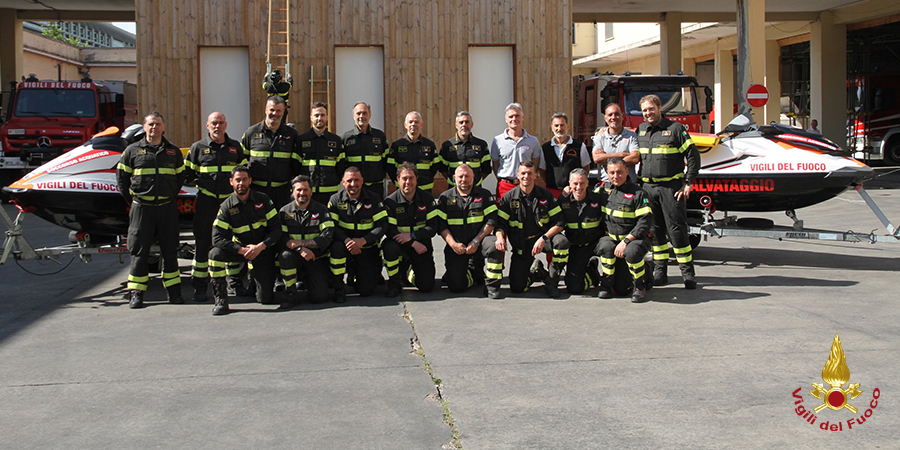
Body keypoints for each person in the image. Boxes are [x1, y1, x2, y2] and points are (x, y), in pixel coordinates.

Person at [116, 111, 186, 308]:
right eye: (150, 125)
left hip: (166, 208)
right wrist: (133, 200)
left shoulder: (173, 152)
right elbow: (121, 180)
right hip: (142, 209)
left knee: (170, 251)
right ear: (144, 127)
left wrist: (169, 194)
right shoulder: (131, 151)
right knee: (139, 252)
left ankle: (174, 292)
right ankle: (137, 293)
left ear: (163, 127)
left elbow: (180, 177)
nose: (154, 128)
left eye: (157, 124)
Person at [635, 94, 700, 289]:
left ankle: (688, 274)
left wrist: (688, 183)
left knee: (677, 231)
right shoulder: (641, 130)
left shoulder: (675, 129)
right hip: (648, 188)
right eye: (645, 110)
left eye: (651, 109)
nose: (648, 113)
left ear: (659, 108)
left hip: (671, 189)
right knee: (655, 233)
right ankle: (660, 272)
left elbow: (693, 156)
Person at [184, 111, 247, 302]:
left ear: (226, 125)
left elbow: (244, 172)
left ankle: (234, 283)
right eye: (214, 123)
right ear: (207, 125)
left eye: (220, 123)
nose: (217, 126)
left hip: (229, 204)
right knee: (203, 244)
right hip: (206, 202)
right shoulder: (197, 148)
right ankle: (200, 287)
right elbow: (186, 173)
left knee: (232, 242)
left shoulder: (236, 148)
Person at [208, 166, 282, 314]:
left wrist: (261, 246)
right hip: (241, 250)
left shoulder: (263, 200)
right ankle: (221, 299)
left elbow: (277, 229)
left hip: (262, 250)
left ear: (250, 180)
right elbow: (217, 238)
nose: (241, 183)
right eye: (237, 180)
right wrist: (241, 250)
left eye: (244, 179)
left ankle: (254, 280)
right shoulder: (226, 206)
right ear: (231, 182)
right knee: (215, 255)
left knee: (265, 299)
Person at [495, 160, 569, 298]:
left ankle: (553, 279)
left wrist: (544, 238)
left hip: (543, 239)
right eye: (523, 173)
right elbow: (501, 224)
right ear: (517, 175)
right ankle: (537, 273)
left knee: (561, 242)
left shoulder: (545, 196)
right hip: (522, 245)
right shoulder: (509, 198)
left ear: (536, 175)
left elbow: (559, 222)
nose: (526, 177)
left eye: (530, 173)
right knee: (517, 287)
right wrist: (499, 237)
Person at [436, 164, 503, 296]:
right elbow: (441, 226)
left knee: (494, 246)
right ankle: (475, 272)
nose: (464, 179)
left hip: (479, 242)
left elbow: (491, 221)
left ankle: (491, 287)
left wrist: (476, 241)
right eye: (460, 176)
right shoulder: (445, 198)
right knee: (455, 286)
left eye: (467, 176)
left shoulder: (485, 195)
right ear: (454, 177)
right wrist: (453, 244)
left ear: (473, 177)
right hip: (457, 245)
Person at [328, 167, 388, 302]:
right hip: (345, 245)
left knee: (366, 290)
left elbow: (382, 225)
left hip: (365, 247)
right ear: (343, 182)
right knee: (336, 247)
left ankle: (357, 271)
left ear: (362, 181)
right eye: (349, 181)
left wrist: (363, 240)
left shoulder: (373, 199)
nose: (353, 184)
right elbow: (332, 227)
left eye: (356, 180)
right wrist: (347, 240)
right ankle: (339, 288)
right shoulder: (335, 200)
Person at [597, 158, 652, 302]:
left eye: (620, 172)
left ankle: (639, 285)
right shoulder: (604, 190)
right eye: (612, 173)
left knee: (632, 253)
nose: (616, 176)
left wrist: (627, 240)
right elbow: (585, 196)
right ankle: (607, 284)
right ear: (607, 174)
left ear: (627, 171)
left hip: (633, 240)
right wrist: (568, 191)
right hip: (612, 239)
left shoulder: (638, 193)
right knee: (605, 246)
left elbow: (644, 222)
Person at [382, 163, 440, 297]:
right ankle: (394, 283)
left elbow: (433, 227)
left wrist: (413, 235)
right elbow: (390, 230)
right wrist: (412, 242)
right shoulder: (390, 202)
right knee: (389, 247)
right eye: (404, 178)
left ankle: (408, 270)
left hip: (421, 244)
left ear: (416, 179)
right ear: (398, 180)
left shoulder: (427, 199)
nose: (408, 182)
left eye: (411, 178)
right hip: (401, 244)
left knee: (426, 286)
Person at [278, 175, 335, 308]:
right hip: (295, 256)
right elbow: (282, 238)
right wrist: (300, 249)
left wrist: (301, 244)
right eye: (298, 190)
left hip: (315, 256)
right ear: (293, 191)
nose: (302, 193)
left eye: (305, 190)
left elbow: (326, 237)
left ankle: (309, 280)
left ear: (311, 191)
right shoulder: (284, 212)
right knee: (285, 256)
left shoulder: (322, 210)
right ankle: (290, 293)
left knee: (319, 298)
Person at [241, 95, 301, 209]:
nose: (275, 114)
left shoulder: (292, 135)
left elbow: (296, 165)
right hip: (256, 191)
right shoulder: (251, 133)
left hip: (282, 193)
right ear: (266, 110)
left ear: (283, 112)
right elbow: (242, 161)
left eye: (278, 111)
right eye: (272, 110)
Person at [557, 168, 603, 295]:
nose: (579, 187)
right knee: (574, 288)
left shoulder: (597, 199)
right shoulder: (563, 201)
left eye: (582, 183)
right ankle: (592, 273)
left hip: (596, 243)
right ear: (569, 184)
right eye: (575, 183)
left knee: (608, 246)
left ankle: (610, 281)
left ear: (588, 183)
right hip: (577, 246)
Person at [491, 103, 544, 200]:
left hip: (526, 184)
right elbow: (495, 164)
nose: (514, 119)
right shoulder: (497, 141)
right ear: (506, 120)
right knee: (504, 213)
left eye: (517, 116)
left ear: (522, 118)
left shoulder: (533, 141)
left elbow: (535, 164)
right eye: (511, 116)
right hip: (505, 186)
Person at [297, 102, 345, 205]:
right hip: (308, 193)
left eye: (322, 115)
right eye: (316, 115)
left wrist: (334, 180)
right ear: (311, 118)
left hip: (330, 194)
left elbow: (341, 165)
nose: (319, 118)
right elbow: (295, 166)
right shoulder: (301, 140)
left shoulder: (336, 141)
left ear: (327, 117)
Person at [341, 102, 389, 199]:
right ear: (353, 116)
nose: (361, 116)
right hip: (354, 187)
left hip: (375, 187)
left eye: (364, 113)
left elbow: (386, 161)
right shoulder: (346, 137)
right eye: (358, 113)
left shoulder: (380, 136)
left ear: (370, 115)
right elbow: (342, 164)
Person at [540, 112, 591, 198]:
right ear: (552, 127)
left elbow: (586, 167)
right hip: (553, 192)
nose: (559, 128)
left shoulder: (579, 146)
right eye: (556, 125)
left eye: (562, 125)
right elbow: (542, 171)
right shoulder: (545, 148)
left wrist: (576, 185)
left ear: (568, 126)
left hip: (574, 192)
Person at [387, 111, 440, 192]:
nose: (413, 124)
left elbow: (435, 166)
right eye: (410, 122)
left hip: (424, 189)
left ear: (421, 125)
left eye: (416, 122)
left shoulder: (429, 145)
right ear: (405, 125)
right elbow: (390, 167)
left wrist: (426, 179)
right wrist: (399, 182)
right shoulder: (397, 146)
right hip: (404, 191)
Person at [439, 111, 491, 187]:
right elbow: (442, 169)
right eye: (461, 122)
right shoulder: (447, 145)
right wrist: (453, 181)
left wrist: (475, 181)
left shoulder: (481, 144)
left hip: (476, 188)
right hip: (454, 188)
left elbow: (486, 169)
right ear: (456, 125)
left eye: (467, 122)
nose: (464, 125)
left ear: (472, 124)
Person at [592, 103, 640, 183]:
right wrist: (621, 155)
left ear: (622, 116)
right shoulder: (599, 137)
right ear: (605, 118)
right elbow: (597, 159)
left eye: (617, 114)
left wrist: (606, 157)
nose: (613, 117)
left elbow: (635, 158)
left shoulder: (632, 136)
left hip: (629, 184)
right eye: (610, 115)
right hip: (606, 184)